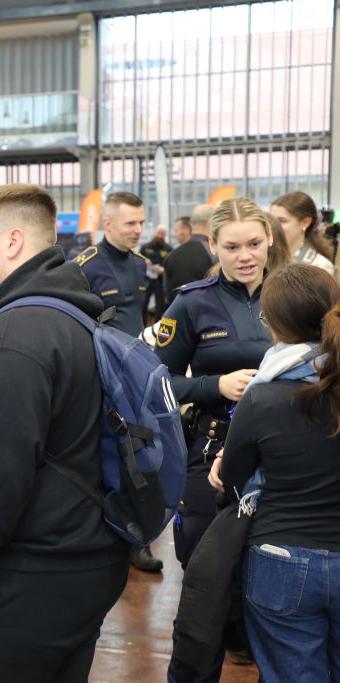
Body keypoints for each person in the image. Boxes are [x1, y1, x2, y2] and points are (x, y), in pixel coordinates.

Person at [0, 184, 130, 682]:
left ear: (12, 242)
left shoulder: (15, 337)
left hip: (27, 575)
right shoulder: (70, 313)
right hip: (83, 557)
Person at [157, 197, 274, 681]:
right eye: (232, 246)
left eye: (254, 243)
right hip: (209, 448)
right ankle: (217, 636)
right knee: (202, 561)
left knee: (268, 562)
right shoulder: (191, 301)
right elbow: (155, 381)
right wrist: (213, 385)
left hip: (280, 454)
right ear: (213, 245)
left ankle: (248, 637)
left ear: (270, 241)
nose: (245, 255)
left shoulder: (292, 294)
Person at [208, 263, 340, 683]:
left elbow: (231, 478)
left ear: (277, 326)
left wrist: (221, 466)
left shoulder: (261, 395)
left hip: (280, 559)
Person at [74, 191, 149, 337]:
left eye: (141, 223)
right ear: (108, 224)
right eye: (130, 223)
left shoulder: (140, 263)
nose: (138, 230)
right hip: (102, 357)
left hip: (137, 354)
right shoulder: (84, 267)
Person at [270, 191, 335, 274]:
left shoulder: (319, 266)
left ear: (305, 222)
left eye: (282, 221)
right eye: (271, 220)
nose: (273, 226)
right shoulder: (266, 258)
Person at [164, 204, 215, 306]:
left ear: (191, 224)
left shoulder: (171, 255)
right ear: (212, 222)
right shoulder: (214, 253)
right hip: (209, 316)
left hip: (177, 315)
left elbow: (167, 294)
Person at [140, 223, 173, 321]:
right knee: (143, 305)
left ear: (165, 235)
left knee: (160, 307)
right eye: (158, 233)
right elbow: (136, 262)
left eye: (162, 234)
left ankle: (155, 330)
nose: (160, 236)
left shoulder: (169, 249)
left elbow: (172, 266)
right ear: (154, 232)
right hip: (146, 281)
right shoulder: (145, 247)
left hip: (160, 282)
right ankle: (143, 328)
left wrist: (164, 270)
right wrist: (144, 263)